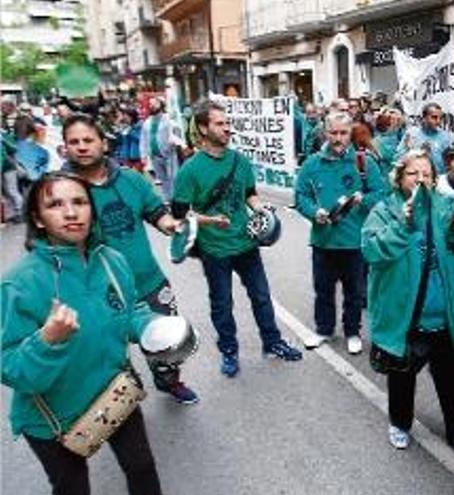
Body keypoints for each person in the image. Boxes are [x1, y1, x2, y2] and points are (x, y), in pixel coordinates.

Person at [2, 172, 164, 495]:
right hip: (52, 421)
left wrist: (154, 329)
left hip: (114, 394)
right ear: (38, 218)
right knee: (73, 488)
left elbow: (130, 310)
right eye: (55, 204)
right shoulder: (18, 283)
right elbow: (10, 367)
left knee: (142, 468)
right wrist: (46, 340)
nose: (71, 212)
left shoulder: (111, 260)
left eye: (79, 202)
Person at [61, 113, 198, 404]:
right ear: (65, 148)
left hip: (149, 282)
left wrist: (170, 225)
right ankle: (122, 398)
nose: (82, 146)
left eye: (88, 140)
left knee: (164, 344)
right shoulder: (62, 192)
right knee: (110, 356)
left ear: (103, 143)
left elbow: (154, 212)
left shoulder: (132, 179)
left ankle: (169, 382)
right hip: (99, 293)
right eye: (74, 142)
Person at [362, 148, 454, 455]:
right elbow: (372, 251)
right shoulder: (385, 209)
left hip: (445, 319)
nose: (421, 179)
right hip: (407, 319)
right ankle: (400, 423)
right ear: (399, 177)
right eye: (413, 173)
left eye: (427, 174)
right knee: (401, 378)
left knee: (451, 380)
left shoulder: (448, 206)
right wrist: (402, 226)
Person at [171, 101, 302, 377]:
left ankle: (273, 342)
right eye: (219, 123)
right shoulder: (190, 170)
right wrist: (210, 221)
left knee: (262, 296)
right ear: (204, 128)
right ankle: (229, 352)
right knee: (222, 303)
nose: (227, 127)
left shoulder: (240, 161)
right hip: (214, 249)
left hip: (246, 243)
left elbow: (250, 194)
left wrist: (261, 210)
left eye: (227, 122)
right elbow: (180, 214)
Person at [294, 112, 385, 354]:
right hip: (323, 241)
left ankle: (352, 332)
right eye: (333, 132)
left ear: (350, 133)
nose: (338, 138)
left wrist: (362, 199)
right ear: (325, 133)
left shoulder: (364, 162)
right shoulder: (312, 163)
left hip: (355, 242)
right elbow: (300, 196)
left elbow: (382, 194)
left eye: (343, 133)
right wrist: (315, 212)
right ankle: (324, 330)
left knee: (354, 292)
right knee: (323, 290)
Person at [140, 97, 180, 202]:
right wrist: (143, 155)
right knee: (162, 179)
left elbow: (176, 131)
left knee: (173, 178)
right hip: (155, 155)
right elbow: (143, 139)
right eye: (150, 104)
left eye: (154, 103)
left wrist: (174, 140)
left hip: (168, 154)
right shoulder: (147, 122)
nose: (151, 105)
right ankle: (167, 199)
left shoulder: (168, 119)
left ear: (161, 104)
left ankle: (175, 199)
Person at [397, 103, 454, 174]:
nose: (438, 121)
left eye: (441, 118)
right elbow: (399, 157)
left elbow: (451, 162)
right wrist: (412, 151)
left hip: (438, 178)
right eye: (434, 117)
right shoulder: (412, 134)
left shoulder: (446, 137)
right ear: (424, 118)